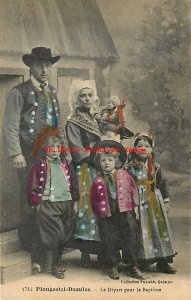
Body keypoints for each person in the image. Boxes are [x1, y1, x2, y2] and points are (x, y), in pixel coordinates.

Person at [3, 47, 65, 248]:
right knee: (31, 196)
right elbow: (10, 125)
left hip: (50, 154)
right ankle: (30, 243)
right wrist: (16, 153)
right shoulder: (18, 92)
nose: (45, 70)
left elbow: (58, 123)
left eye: (48, 65)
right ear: (31, 66)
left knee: (50, 196)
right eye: (40, 65)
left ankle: (48, 242)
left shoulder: (52, 92)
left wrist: (62, 150)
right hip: (27, 154)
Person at [27, 126, 79, 278]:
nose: (55, 150)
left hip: (66, 203)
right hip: (49, 203)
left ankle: (54, 262)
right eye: (51, 147)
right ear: (45, 148)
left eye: (58, 147)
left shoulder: (66, 165)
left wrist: (75, 203)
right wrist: (37, 203)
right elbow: (34, 185)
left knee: (63, 235)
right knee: (55, 234)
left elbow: (74, 185)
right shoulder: (41, 165)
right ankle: (53, 265)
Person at [90, 140, 146, 280]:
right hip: (107, 213)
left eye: (110, 160)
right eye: (103, 160)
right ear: (99, 162)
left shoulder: (124, 175)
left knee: (130, 236)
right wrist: (97, 214)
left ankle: (133, 266)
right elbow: (94, 199)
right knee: (109, 238)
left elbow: (133, 190)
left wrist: (136, 208)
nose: (106, 163)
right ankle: (113, 265)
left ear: (117, 161)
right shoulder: (97, 180)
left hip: (125, 211)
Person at [125, 132, 177, 274]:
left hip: (155, 202)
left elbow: (163, 184)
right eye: (139, 145)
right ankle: (142, 261)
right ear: (134, 148)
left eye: (146, 146)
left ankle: (163, 261)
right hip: (139, 203)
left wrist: (166, 202)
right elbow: (127, 186)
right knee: (143, 230)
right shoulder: (129, 167)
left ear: (151, 149)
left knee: (159, 229)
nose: (143, 148)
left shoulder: (156, 166)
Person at [65, 79, 105, 267]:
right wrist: (93, 159)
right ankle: (85, 252)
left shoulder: (96, 118)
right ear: (77, 98)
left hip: (101, 165)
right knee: (87, 207)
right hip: (85, 168)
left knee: (102, 206)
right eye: (83, 96)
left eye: (90, 95)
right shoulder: (73, 121)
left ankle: (103, 249)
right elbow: (76, 148)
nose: (87, 99)